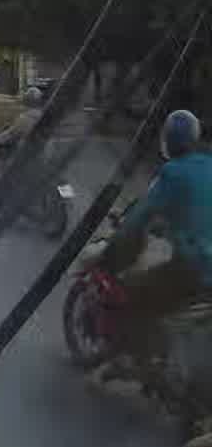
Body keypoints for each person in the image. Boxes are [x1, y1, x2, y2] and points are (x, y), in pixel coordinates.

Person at [89, 109, 212, 352]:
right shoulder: (208, 165)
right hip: (202, 262)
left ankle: (142, 359)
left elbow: (140, 215)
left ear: (167, 140)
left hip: (195, 266)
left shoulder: (173, 172)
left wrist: (115, 244)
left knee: (132, 291)